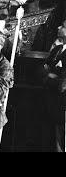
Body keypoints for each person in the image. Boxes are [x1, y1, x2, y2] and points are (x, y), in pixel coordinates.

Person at [41, 23, 66, 152]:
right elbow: (43, 69)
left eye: (62, 26)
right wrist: (51, 75)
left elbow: (63, 85)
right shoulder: (57, 49)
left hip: (62, 104)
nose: (58, 27)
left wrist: (51, 76)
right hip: (50, 102)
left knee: (61, 141)